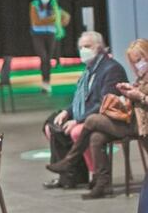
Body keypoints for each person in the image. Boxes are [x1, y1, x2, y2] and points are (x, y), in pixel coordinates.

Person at [48, 39, 143, 199]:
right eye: (134, 62)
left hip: (139, 123)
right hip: (130, 119)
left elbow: (102, 103)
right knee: (96, 137)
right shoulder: (90, 70)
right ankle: (101, 184)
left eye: (140, 60)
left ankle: (69, 162)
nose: (137, 65)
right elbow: (81, 98)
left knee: (91, 121)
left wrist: (138, 95)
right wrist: (129, 91)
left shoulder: (111, 68)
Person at [31, 0, 64, 94]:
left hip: (51, 34)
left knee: (48, 59)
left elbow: (57, 18)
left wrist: (45, 20)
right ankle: (44, 81)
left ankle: (47, 82)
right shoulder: (34, 4)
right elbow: (35, 21)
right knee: (43, 58)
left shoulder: (53, 4)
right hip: (37, 34)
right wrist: (50, 20)